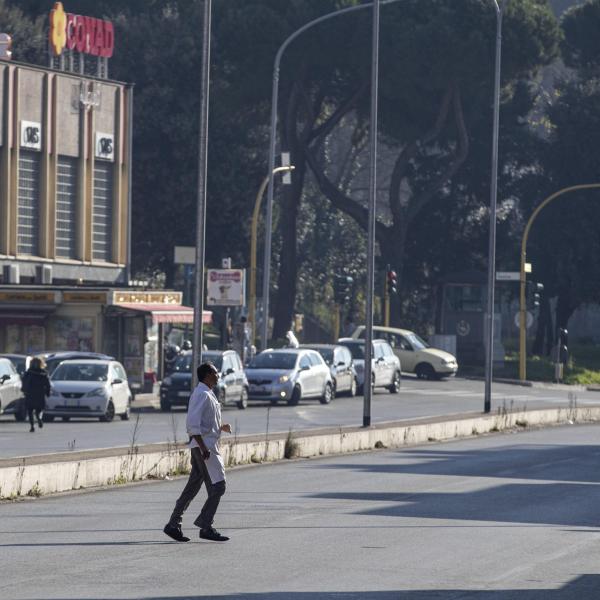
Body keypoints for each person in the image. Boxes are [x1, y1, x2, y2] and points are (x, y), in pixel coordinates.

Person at [163, 362, 232, 543]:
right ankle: (205, 525)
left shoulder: (208, 393)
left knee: (193, 486)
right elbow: (193, 425)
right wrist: (203, 448)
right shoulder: (201, 394)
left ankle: (173, 524)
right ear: (208, 375)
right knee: (218, 486)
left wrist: (221, 427)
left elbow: (206, 422)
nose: (218, 375)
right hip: (205, 447)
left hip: (205, 445)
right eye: (216, 372)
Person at [21, 357, 51, 433]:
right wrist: (47, 392)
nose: (35, 365)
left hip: (35, 394)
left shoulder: (37, 373)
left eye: (36, 363)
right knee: (34, 410)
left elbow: (47, 384)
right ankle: (35, 422)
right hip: (35, 394)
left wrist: (47, 392)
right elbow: (47, 384)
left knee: (34, 410)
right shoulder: (32, 373)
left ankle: (36, 422)